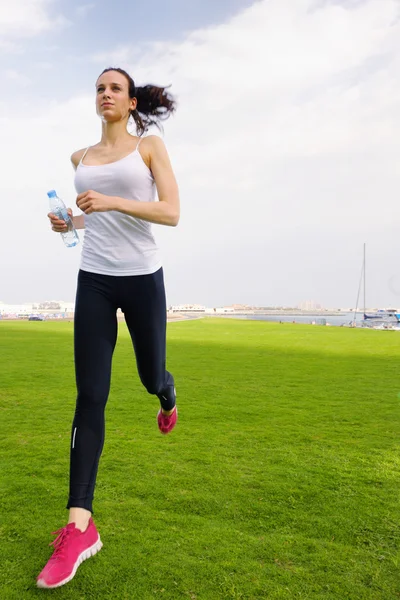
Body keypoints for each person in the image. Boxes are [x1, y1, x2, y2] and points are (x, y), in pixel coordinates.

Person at [36, 67, 180, 589]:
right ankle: (80, 526)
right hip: (93, 281)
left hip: (143, 281)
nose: (105, 94)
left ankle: (167, 394)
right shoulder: (81, 159)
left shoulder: (149, 146)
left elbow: (171, 212)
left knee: (147, 376)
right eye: (99, 88)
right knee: (90, 394)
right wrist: (69, 224)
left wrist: (114, 200)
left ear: (132, 99)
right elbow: (92, 219)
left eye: (115, 87)